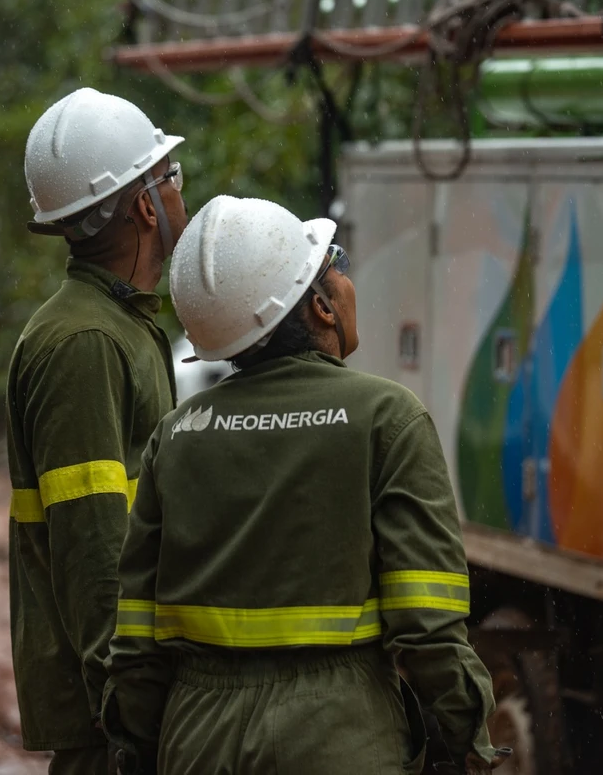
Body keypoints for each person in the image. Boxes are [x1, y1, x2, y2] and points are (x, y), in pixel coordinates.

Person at [102, 196, 506, 775]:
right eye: (335, 264)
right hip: (338, 733)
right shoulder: (386, 417)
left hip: (197, 737)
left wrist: (138, 742)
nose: (346, 279)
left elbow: (137, 635)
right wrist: (469, 735)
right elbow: (428, 624)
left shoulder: (177, 435)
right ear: (319, 305)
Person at [6, 87, 188, 775]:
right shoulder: (85, 342)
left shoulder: (117, 323)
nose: (179, 191)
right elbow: (92, 544)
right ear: (145, 206)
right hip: (109, 718)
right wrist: (127, 708)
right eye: (170, 176)